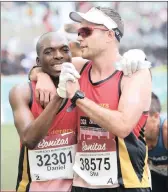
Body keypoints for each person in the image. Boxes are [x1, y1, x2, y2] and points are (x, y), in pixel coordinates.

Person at [28, 7, 152, 192]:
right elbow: (44, 65)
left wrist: (77, 97)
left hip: (126, 184)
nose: (79, 38)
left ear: (110, 35)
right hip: (82, 185)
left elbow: (123, 126)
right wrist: (41, 76)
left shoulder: (134, 74)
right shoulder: (79, 68)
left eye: (86, 32)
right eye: (79, 32)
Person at [9, 31, 78, 192]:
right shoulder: (22, 92)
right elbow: (29, 139)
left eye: (64, 50)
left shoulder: (80, 88)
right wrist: (59, 95)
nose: (58, 55)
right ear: (38, 61)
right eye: (49, 51)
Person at [145, 92, 168, 192]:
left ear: (156, 116)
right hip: (155, 176)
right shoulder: (133, 132)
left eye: (142, 118)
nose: (137, 122)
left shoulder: (166, 132)